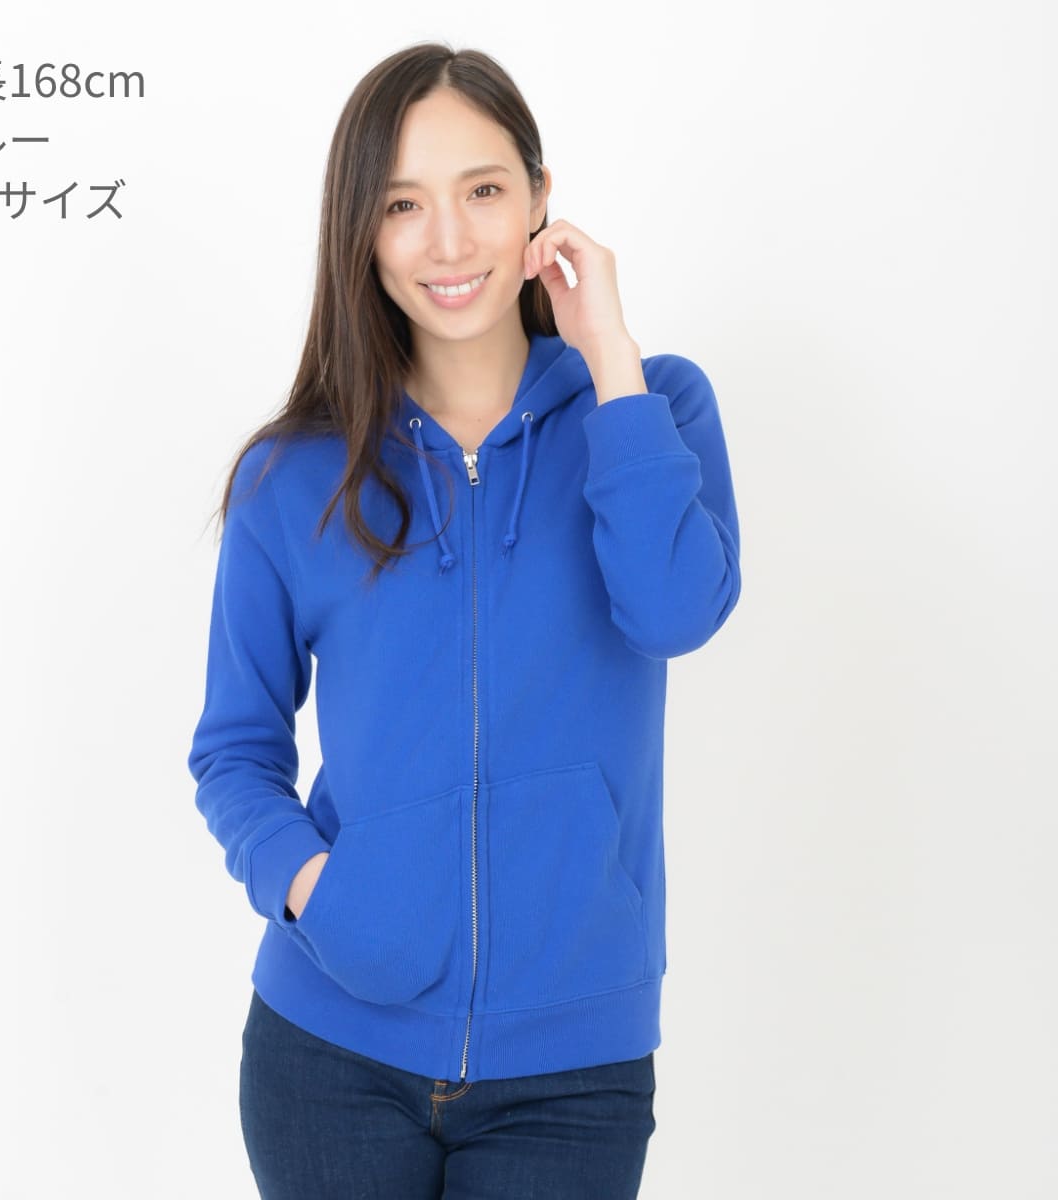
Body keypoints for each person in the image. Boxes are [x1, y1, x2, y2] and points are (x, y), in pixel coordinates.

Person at [187, 41, 742, 1200]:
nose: (447, 241)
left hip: (572, 1071)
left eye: (483, 190)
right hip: (329, 1054)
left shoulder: (649, 407)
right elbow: (234, 752)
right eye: (402, 205)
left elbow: (675, 613)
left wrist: (610, 358)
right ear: (361, 232)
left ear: (541, 197)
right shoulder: (295, 477)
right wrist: (319, 892)